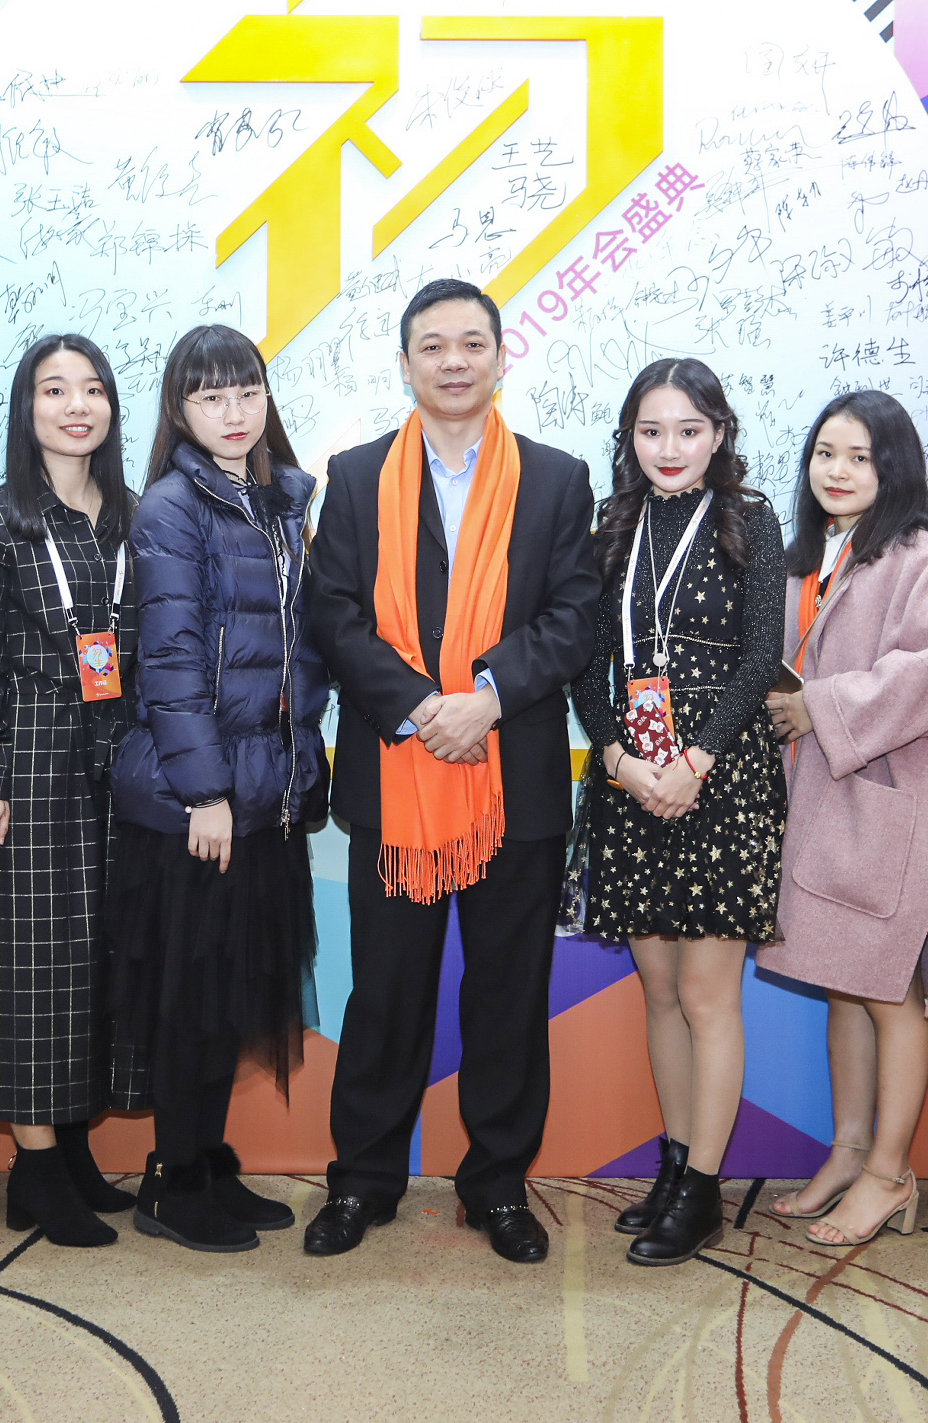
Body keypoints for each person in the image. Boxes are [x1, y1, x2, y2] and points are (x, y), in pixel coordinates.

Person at [301, 278, 603, 1265]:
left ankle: (498, 1185)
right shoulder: (354, 478)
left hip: (513, 780)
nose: (453, 360)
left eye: (472, 342)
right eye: (432, 345)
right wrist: (420, 705)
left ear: (501, 357)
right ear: (405, 364)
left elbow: (574, 616)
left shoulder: (556, 479)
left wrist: (488, 697)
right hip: (398, 773)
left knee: (508, 996)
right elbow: (332, 611)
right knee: (386, 994)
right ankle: (362, 1179)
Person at [109, 324, 330, 1254]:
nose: (232, 412)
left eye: (246, 392)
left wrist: (296, 771)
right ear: (180, 410)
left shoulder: (281, 501)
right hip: (199, 803)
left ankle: (203, 1160)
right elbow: (170, 661)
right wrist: (205, 794)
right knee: (192, 1002)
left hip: (263, 790)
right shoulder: (170, 508)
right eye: (209, 397)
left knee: (232, 998)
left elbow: (298, 655)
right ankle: (172, 1180)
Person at [566, 359, 787, 1267]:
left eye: (688, 430)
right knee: (658, 992)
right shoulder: (607, 527)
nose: (670, 448)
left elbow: (763, 653)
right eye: (651, 431)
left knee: (706, 996)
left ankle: (703, 1189)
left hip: (719, 781)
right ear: (629, 438)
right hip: (629, 782)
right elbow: (584, 663)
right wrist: (620, 760)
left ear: (719, 434)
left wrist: (696, 760)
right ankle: (672, 1164)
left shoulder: (751, 519)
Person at [759, 392, 928, 1250]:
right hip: (822, 801)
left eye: (860, 457)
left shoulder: (917, 557)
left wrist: (820, 707)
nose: (839, 471)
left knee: (891, 993)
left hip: (888, 801)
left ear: (893, 469)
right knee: (841, 982)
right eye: (826, 453)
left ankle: (891, 1174)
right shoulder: (812, 554)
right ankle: (849, 1151)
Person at [0, 335, 150, 1249]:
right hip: (27, 757)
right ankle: (34, 1165)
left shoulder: (135, 514)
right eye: (54, 390)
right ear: (26, 410)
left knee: (92, 959)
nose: (77, 406)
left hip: (116, 757)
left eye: (93, 389)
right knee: (31, 962)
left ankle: (68, 1151)